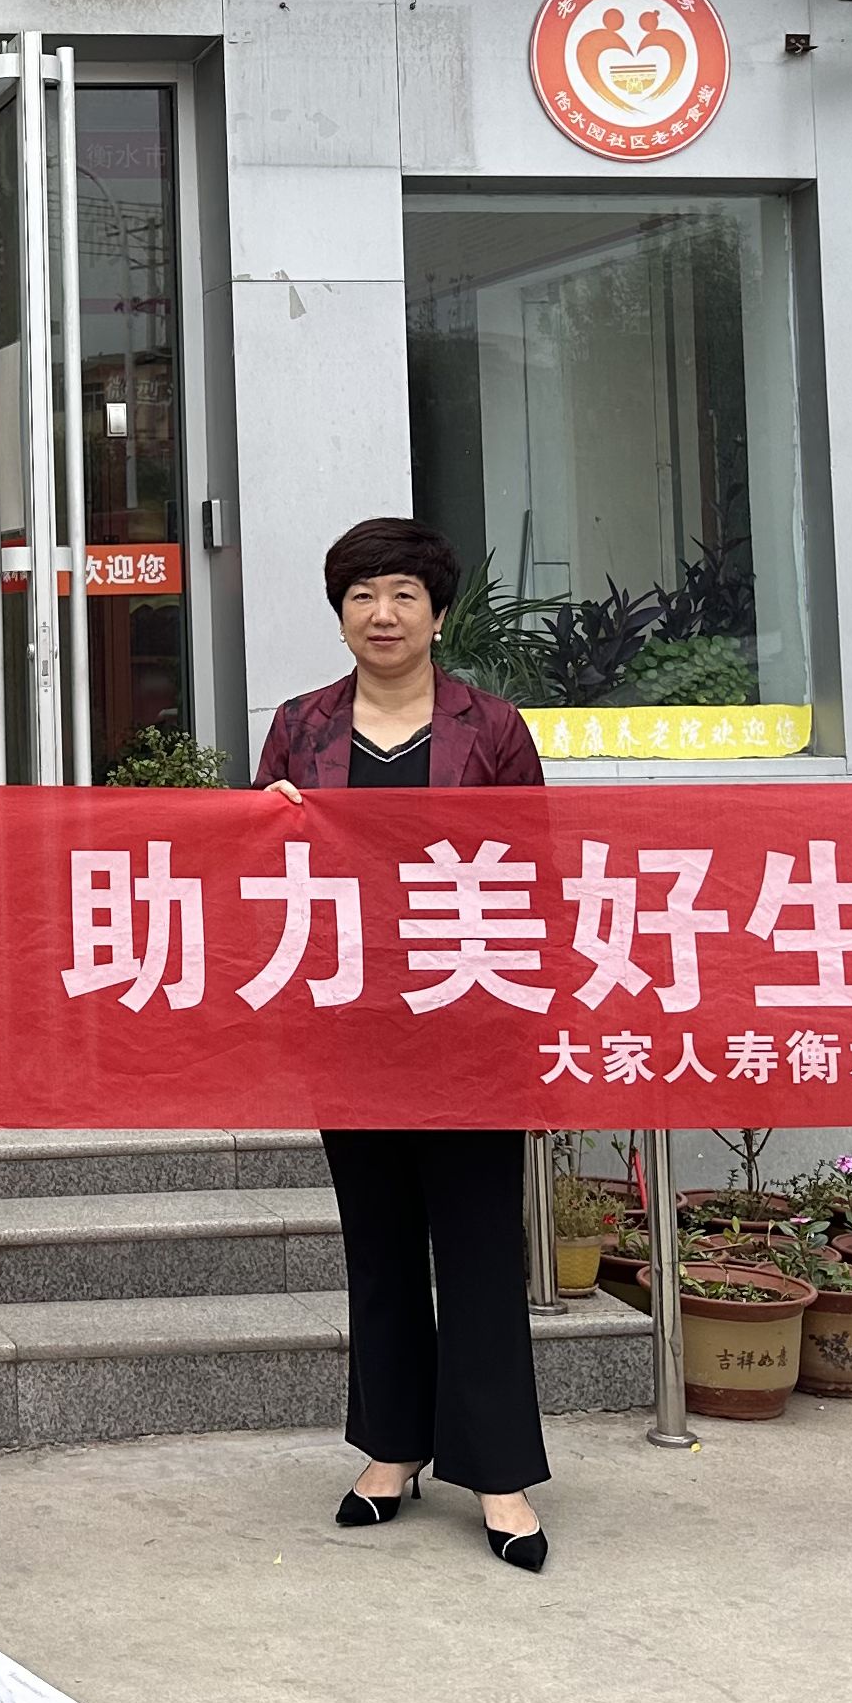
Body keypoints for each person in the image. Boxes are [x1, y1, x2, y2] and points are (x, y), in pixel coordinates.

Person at [257, 516, 555, 1572]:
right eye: (361, 597)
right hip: (351, 1024)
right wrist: (265, 822)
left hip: (471, 1023)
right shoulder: (298, 728)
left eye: (403, 596)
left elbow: (536, 871)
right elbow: (258, 882)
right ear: (339, 615)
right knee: (378, 1244)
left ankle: (498, 1471)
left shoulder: (493, 728)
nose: (382, 615)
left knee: (478, 1247)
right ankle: (391, 1449)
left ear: (437, 615)